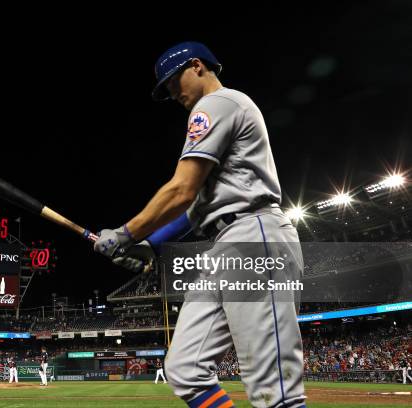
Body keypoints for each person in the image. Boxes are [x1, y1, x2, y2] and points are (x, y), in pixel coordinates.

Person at [94, 41, 306, 407]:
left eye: (173, 83)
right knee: (185, 369)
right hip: (224, 244)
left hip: (253, 237)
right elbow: (191, 209)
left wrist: (127, 234)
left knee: (274, 392)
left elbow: (180, 190)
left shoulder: (217, 104)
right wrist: (150, 245)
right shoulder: (215, 115)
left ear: (197, 66)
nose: (172, 94)